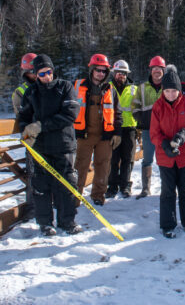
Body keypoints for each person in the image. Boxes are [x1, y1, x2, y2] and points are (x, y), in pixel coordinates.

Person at [18, 54, 82, 236]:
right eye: (42, 73)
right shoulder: (31, 93)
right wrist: (27, 132)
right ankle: (45, 222)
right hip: (41, 148)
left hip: (64, 144)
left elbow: (70, 114)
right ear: (35, 74)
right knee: (41, 185)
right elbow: (23, 117)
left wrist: (41, 125)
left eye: (49, 72)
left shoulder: (65, 87)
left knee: (67, 183)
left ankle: (67, 221)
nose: (47, 76)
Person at [150, 68, 185, 238]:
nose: (171, 94)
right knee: (167, 191)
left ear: (179, 90)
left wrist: (184, 134)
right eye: (167, 91)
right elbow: (154, 132)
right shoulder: (158, 106)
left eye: (174, 91)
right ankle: (168, 225)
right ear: (162, 91)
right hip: (166, 157)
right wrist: (164, 144)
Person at [74, 54, 122, 206]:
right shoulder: (77, 86)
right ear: (92, 70)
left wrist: (117, 133)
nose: (100, 73)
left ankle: (98, 195)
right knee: (80, 166)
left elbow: (118, 113)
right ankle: (75, 196)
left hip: (104, 137)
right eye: (98, 70)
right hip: (84, 136)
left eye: (103, 71)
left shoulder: (111, 90)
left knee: (103, 166)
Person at [132, 55, 166, 199]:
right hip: (147, 130)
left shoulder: (169, 86)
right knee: (147, 159)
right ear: (151, 70)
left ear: (163, 70)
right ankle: (146, 189)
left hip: (165, 130)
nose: (157, 71)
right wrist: (142, 120)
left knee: (166, 159)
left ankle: (167, 188)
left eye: (159, 68)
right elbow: (134, 106)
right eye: (154, 69)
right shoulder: (142, 87)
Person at [106, 60, 137, 198]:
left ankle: (125, 185)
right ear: (114, 73)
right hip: (112, 128)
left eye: (124, 73)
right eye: (119, 73)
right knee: (112, 159)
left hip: (129, 128)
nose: (121, 75)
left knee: (128, 159)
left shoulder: (134, 89)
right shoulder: (107, 87)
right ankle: (112, 186)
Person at [12, 53, 37, 220]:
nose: (34, 74)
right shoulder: (20, 92)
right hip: (31, 136)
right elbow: (21, 116)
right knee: (33, 173)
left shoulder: (48, 86)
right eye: (31, 71)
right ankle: (33, 207)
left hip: (49, 136)